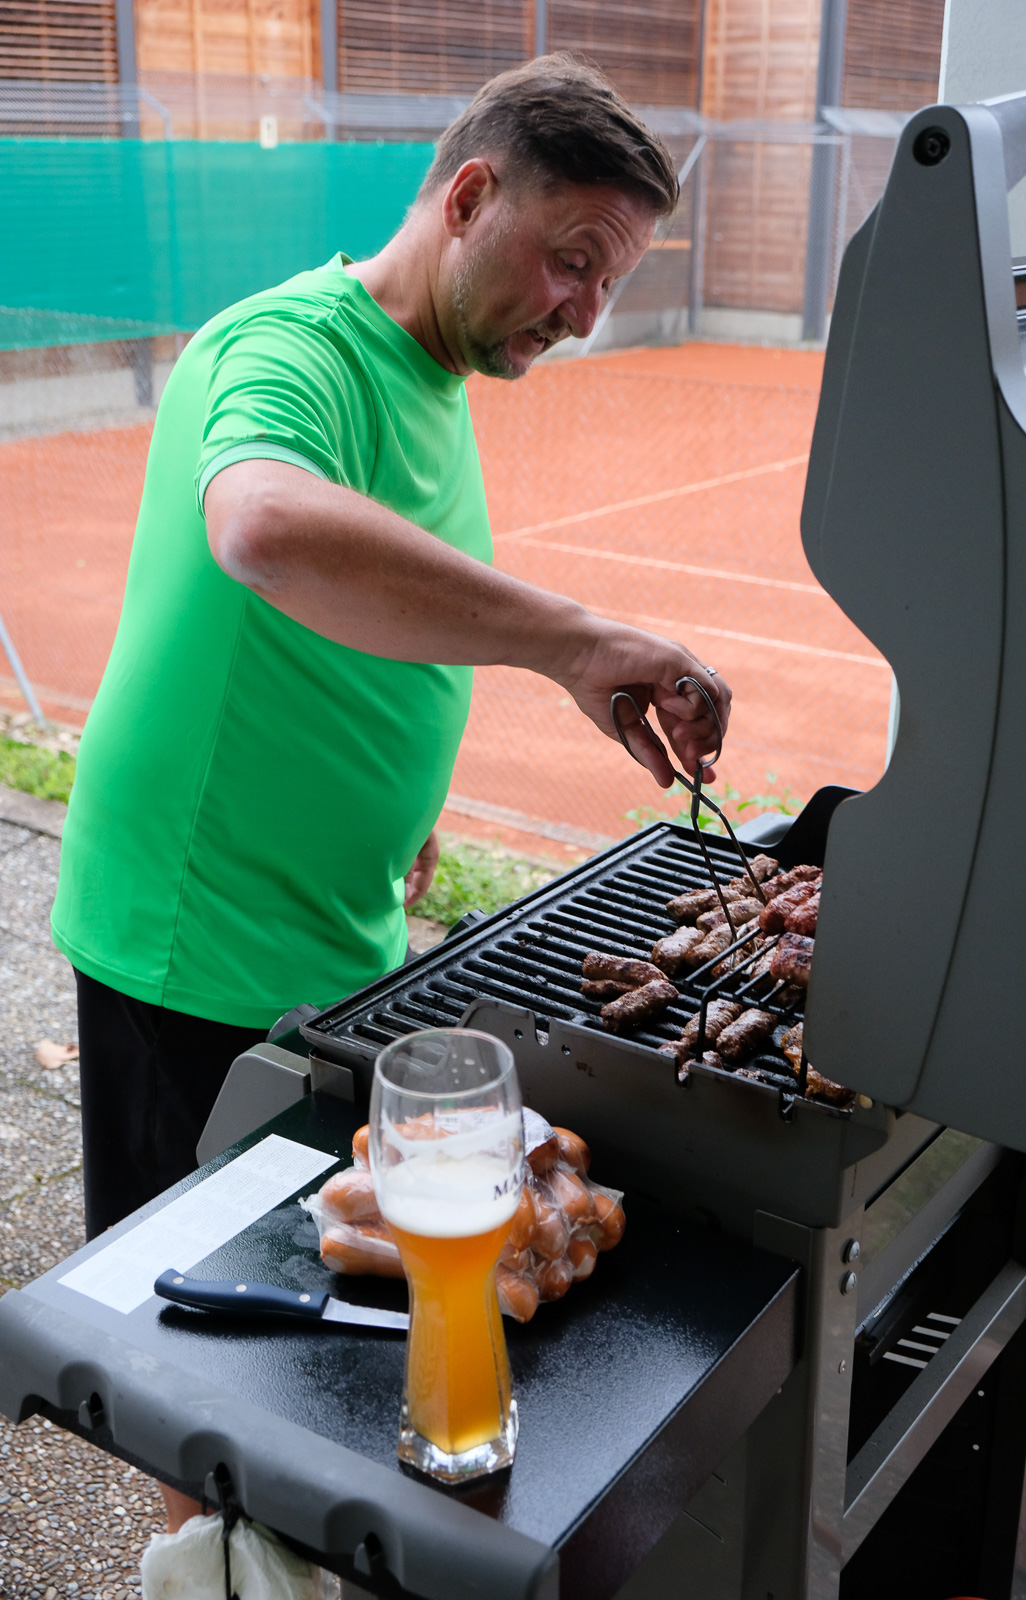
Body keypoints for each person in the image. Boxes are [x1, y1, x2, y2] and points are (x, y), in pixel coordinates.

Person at [51, 52, 731, 1531]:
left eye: (605, 281)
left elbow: (366, 611)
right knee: (198, 1367)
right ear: (469, 196)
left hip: (329, 923)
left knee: (299, 1340)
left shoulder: (435, 372)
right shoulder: (286, 345)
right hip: (195, 936)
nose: (583, 311)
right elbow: (269, 528)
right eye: (569, 263)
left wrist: (405, 802)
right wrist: (575, 640)